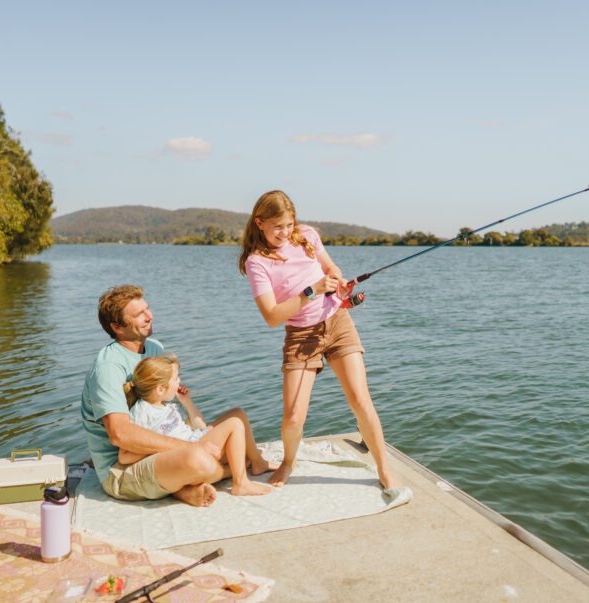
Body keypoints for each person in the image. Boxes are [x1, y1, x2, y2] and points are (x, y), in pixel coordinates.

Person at [240, 190, 398, 489]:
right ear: (259, 223)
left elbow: (331, 267)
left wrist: (336, 279)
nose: (284, 233)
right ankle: (288, 462)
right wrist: (311, 290)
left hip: (337, 322)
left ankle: (384, 469)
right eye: (277, 227)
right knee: (294, 416)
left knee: (360, 400)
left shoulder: (307, 235)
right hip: (301, 336)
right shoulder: (257, 261)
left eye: (288, 225)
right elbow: (272, 316)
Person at [81, 285, 274, 508]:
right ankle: (194, 484)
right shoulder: (108, 367)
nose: (149, 316)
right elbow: (120, 435)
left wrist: (193, 432)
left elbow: (163, 411)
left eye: (147, 309)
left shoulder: (153, 348)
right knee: (200, 459)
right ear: (117, 327)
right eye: (138, 314)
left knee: (236, 419)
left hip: (158, 454)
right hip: (122, 470)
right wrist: (191, 447)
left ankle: (185, 487)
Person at [120, 352, 270, 496]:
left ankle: (257, 463)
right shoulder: (142, 411)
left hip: (196, 439)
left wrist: (186, 401)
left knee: (238, 413)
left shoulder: (166, 404)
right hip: (191, 451)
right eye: (175, 378)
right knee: (234, 424)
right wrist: (160, 447)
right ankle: (240, 483)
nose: (179, 381)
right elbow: (124, 456)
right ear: (160, 389)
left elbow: (200, 426)